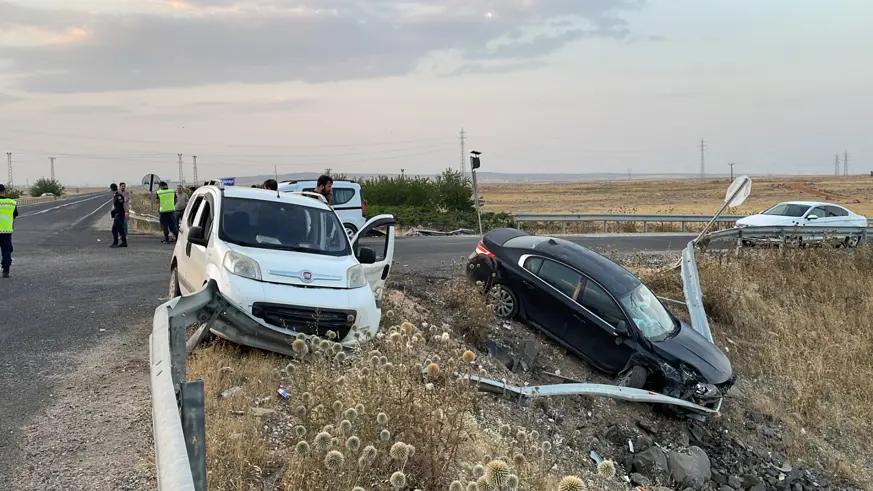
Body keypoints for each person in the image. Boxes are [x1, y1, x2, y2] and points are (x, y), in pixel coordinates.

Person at [0, 184, 19, 278]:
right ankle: (6, 271)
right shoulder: (11, 203)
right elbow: (14, 216)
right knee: (6, 251)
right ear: (4, 191)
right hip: (6, 231)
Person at [109, 183, 128, 248]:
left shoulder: (118, 196)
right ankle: (124, 242)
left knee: (114, 229)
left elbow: (123, 204)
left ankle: (115, 242)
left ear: (111, 189)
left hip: (120, 215)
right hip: (118, 214)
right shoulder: (116, 195)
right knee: (120, 229)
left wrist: (126, 213)